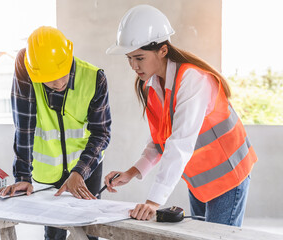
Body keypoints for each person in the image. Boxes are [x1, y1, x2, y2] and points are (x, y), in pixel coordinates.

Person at [104, 5, 257, 227]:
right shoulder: (153, 85)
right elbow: (159, 142)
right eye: (129, 58)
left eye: (139, 57)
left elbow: (180, 143)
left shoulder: (192, 80)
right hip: (199, 180)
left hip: (228, 178)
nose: (133, 66)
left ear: (162, 50)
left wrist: (153, 202)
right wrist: (132, 172)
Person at [0, 26, 111, 240]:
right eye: (49, 79)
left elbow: (101, 133)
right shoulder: (28, 70)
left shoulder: (95, 79)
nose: (58, 84)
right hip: (48, 170)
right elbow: (24, 124)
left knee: (88, 230)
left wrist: (79, 172)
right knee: (53, 232)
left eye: (62, 75)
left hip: (85, 166)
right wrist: (23, 175)